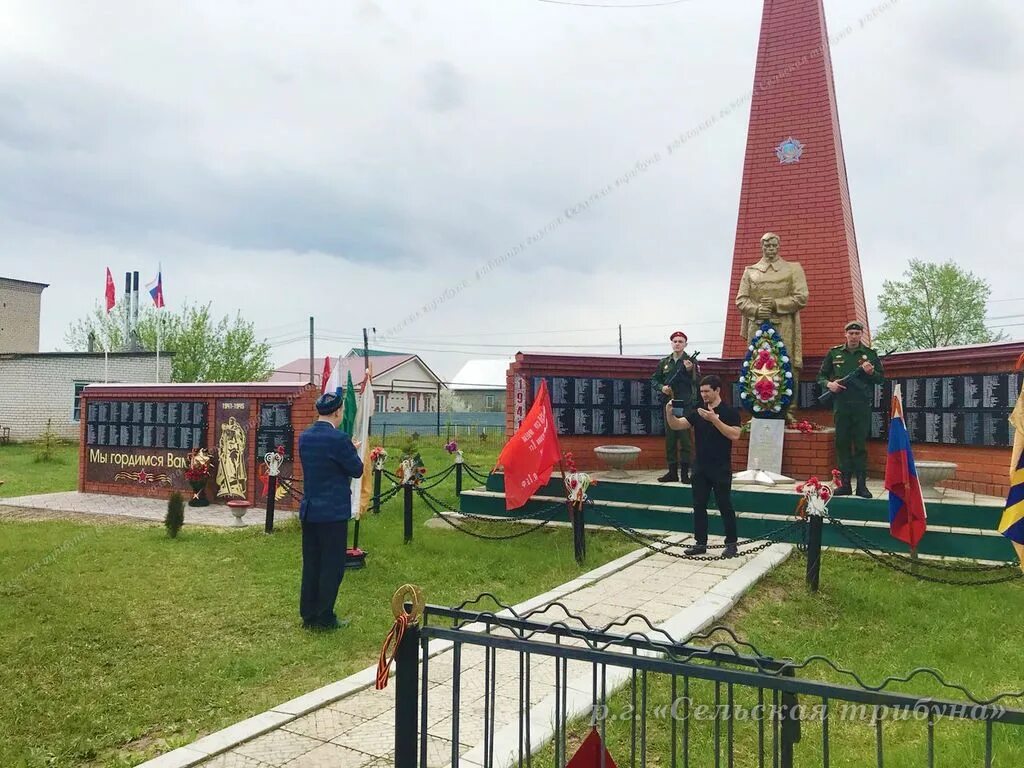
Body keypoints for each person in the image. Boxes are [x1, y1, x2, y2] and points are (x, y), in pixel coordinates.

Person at [297, 391, 364, 630]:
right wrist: (352, 449)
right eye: (342, 410)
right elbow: (356, 470)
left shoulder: (305, 437)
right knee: (332, 565)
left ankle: (308, 614)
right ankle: (325, 616)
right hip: (333, 512)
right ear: (337, 412)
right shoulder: (339, 439)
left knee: (312, 562)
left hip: (310, 509)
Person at [664, 374, 742, 558]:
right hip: (700, 466)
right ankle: (700, 543)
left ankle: (731, 544)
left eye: (707, 391)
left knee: (725, 504)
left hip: (720, 466)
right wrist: (669, 412)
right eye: (701, 391)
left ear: (717, 390)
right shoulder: (698, 411)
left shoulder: (730, 412)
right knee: (698, 505)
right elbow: (677, 425)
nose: (704, 395)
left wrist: (714, 420)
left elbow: (735, 435)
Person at [735, 232, 809, 407]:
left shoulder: (793, 269)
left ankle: (788, 409)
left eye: (774, 245)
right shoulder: (750, 271)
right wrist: (756, 310)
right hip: (757, 324)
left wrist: (776, 304)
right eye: (767, 245)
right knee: (757, 364)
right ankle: (758, 407)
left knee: (786, 363)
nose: (771, 249)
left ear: (779, 246)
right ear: (761, 247)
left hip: (784, 325)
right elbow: (741, 299)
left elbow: (801, 297)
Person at [816, 321, 885, 498]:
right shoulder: (834, 353)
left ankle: (861, 486)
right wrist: (829, 384)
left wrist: (870, 373)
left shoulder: (870, 355)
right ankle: (844, 484)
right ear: (845, 334)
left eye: (857, 333)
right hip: (842, 404)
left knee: (860, 445)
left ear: (861, 335)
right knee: (842, 444)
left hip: (861, 406)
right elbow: (821, 376)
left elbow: (880, 379)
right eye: (851, 333)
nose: (854, 336)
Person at [651, 330, 699, 483]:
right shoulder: (664, 362)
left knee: (685, 439)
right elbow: (654, 380)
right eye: (675, 341)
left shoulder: (691, 361)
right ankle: (672, 472)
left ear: (685, 344)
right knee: (670, 439)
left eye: (680, 341)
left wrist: (690, 370)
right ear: (671, 343)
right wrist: (661, 388)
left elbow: (697, 381)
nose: (677, 343)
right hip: (670, 404)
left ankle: (685, 474)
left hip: (685, 404)